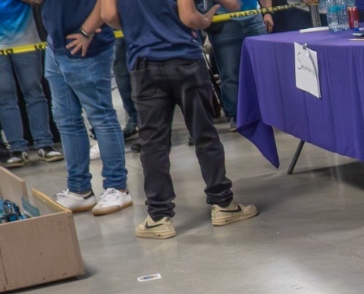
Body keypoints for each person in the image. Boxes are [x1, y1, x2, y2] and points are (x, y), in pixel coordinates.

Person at [98, 0, 258, 239]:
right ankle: (223, 204)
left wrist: (140, 25)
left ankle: (159, 217)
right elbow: (188, 17)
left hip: (143, 63)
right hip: (185, 59)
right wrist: (205, 19)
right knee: (204, 134)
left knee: (153, 144)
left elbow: (109, 15)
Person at [41, 0, 132, 215]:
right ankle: (79, 189)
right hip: (56, 44)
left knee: (100, 116)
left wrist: (86, 30)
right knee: (66, 119)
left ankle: (117, 186)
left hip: (87, 44)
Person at [1, 0, 63, 168]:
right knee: (4, 97)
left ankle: (44, 143)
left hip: (26, 40)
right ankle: (17, 148)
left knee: (34, 91)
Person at [201, 0, 271, 129]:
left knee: (263, 70)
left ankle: (266, 112)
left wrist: (267, 12)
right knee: (230, 73)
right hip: (224, 20)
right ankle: (237, 116)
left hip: (254, 17)